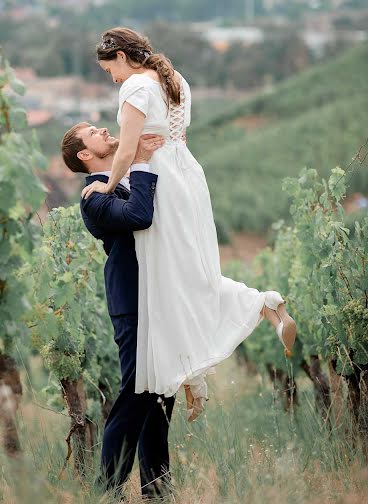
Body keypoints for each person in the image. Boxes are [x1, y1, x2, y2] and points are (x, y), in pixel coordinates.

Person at [81, 27, 297, 421]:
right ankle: (258, 310)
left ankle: (202, 363)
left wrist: (107, 187)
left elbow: (128, 149)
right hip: (187, 177)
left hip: (159, 180)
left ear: (123, 59)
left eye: (108, 69)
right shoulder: (173, 79)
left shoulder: (134, 89)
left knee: (170, 284)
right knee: (190, 273)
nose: (110, 77)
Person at [61, 124, 174, 499]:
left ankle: (157, 491)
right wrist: (140, 161)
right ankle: (108, 491)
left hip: (157, 298)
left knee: (159, 397)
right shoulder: (93, 199)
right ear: (84, 155)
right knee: (136, 393)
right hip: (132, 302)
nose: (104, 128)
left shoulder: (119, 181)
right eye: (93, 131)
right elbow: (140, 216)